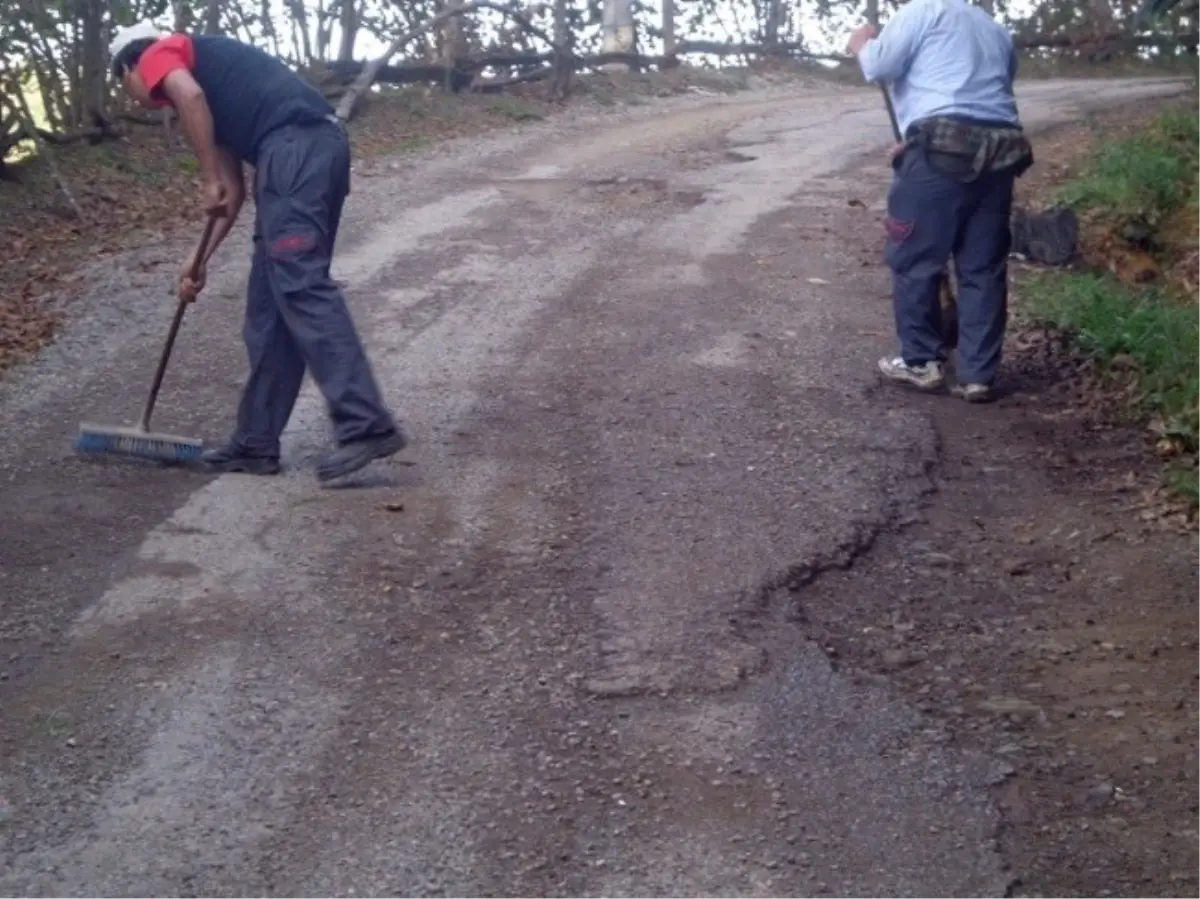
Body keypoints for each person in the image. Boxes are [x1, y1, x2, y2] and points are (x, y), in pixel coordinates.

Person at [108, 23, 407, 479]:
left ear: (131, 66)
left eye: (126, 86)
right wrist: (198, 258)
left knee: (301, 284)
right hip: (296, 155)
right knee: (269, 307)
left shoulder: (159, 56)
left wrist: (206, 177)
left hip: (296, 149)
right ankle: (255, 443)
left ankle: (366, 424)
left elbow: (189, 102)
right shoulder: (210, 88)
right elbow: (230, 192)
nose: (136, 96)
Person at [846, 0, 1033, 403]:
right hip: (1000, 152)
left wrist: (862, 43)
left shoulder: (922, 11)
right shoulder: (993, 28)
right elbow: (989, 88)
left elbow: (878, 66)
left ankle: (920, 361)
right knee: (982, 266)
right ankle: (979, 375)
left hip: (939, 154)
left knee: (915, 258)